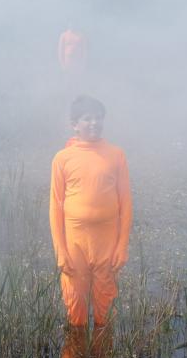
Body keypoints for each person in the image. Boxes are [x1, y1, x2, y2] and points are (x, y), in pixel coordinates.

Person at [49, 95, 132, 328]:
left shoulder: (116, 155)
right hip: (75, 244)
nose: (94, 123)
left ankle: (103, 348)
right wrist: (60, 251)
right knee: (76, 309)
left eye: (98, 118)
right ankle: (76, 350)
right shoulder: (62, 159)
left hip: (107, 243)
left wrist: (122, 246)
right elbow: (55, 207)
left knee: (105, 310)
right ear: (74, 124)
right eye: (87, 118)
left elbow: (125, 204)